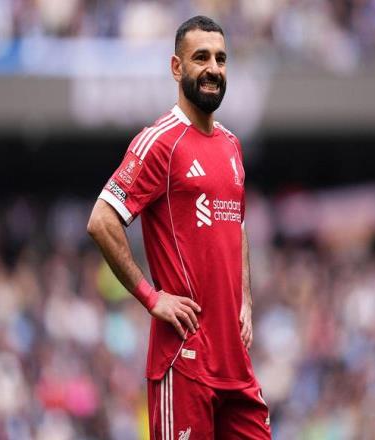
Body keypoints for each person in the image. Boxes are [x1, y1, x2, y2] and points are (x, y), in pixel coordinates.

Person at [87, 15, 271, 439]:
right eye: (201, 57)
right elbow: (101, 220)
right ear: (176, 67)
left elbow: (237, 222)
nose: (213, 68)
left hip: (235, 363)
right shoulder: (159, 142)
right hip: (185, 360)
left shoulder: (232, 145)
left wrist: (245, 298)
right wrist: (151, 297)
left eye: (221, 59)